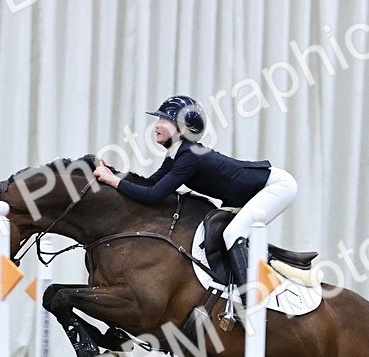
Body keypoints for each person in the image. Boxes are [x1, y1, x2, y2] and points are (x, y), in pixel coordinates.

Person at [93, 95, 297, 315]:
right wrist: (112, 174)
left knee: (233, 233)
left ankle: (252, 304)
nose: (157, 125)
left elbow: (154, 196)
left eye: (164, 120)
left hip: (276, 186)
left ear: (181, 131)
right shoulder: (178, 154)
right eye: (158, 119)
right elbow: (150, 185)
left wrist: (113, 180)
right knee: (226, 233)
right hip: (250, 192)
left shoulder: (189, 156)